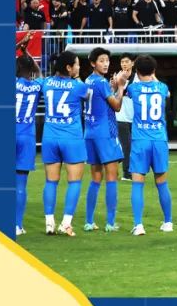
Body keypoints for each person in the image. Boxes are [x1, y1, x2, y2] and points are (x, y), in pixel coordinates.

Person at [40, 51, 90, 236]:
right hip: (72, 138)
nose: (79, 67)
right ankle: (66, 223)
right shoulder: (78, 86)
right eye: (76, 64)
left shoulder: (46, 83)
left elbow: (41, 79)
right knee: (74, 182)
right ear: (69, 67)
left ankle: (49, 223)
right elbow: (88, 95)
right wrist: (76, 77)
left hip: (50, 137)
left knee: (50, 182)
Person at [82, 47, 129, 232]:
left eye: (107, 60)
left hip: (89, 133)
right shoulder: (101, 82)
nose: (106, 63)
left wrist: (112, 88)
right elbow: (116, 106)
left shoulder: (88, 81)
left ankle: (89, 221)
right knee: (111, 177)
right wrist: (121, 88)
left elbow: (100, 101)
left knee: (95, 178)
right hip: (105, 133)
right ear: (93, 63)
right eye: (101, 60)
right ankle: (110, 223)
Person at [125, 55, 173, 235]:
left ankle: (138, 225)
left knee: (137, 184)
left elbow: (126, 90)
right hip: (159, 140)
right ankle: (168, 222)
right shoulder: (162, 87)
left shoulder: (133, 88)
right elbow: (167, 93)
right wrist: (154, 76)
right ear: (154, 70)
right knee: (162, 183)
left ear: (137, 71)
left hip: (140, 140)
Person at [14, 54, 42, 236]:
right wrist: (31, 60)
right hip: (26, 138)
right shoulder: (36, 86)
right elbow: (39, 75)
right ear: (31, 69)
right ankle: (17, 225)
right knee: (21, 185)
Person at [115, 55, 135, 180]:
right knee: (126, 146)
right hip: (121, 116)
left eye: (127, 61)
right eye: (122, 62)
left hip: (135, 117)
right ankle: (127, 173)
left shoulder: (138, 78)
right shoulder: (117, 77)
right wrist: (121, 83)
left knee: (134, 146)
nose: (124, 64)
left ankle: (118, 160)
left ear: (132, 63)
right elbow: (114, 94)